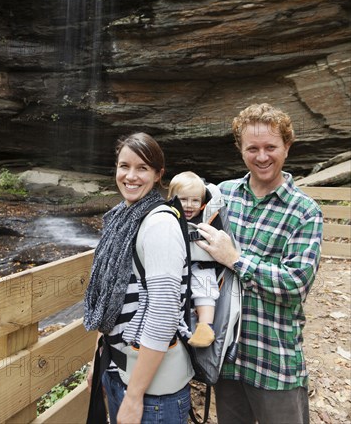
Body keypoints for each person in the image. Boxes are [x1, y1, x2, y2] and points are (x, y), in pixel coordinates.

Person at [195, 103, 323, 424]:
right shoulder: (223, 196)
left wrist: (236, 260)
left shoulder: (305, 211)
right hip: (228, 358)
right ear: (241, 150)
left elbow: (295, 285)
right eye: (253, 148)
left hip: (274, 360)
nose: (262, 156)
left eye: (271, 147)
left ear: (287, 147)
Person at [84, 132, 194, 424]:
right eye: (124, 166)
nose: (130, 176)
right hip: (119, 369)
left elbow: (164, 313)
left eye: (142, 168)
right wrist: (99, 359)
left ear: (158, 174)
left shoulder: (159, 225)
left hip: (152, 394)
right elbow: (109, 296)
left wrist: (134, 397)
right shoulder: (122, 218)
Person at [168, 171, 221, 347]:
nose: (190, 205)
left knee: (206, 286)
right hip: (174, 267)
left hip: (200, 265)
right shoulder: (167, 218)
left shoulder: (206, 219)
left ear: (202, 202)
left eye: (195, 200)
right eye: (183, 200)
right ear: (173, 199)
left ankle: (205, 327)